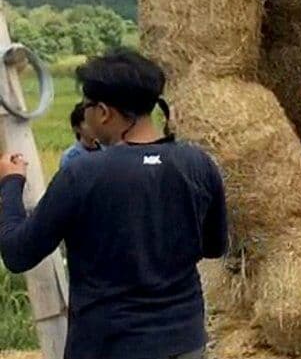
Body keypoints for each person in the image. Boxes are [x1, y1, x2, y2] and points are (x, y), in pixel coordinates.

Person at [0, 49, 228, 359]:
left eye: (86, 106)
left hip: (108, 345)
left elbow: (17, 252)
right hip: (184, 341)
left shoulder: (82, 174)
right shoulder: (199, 164)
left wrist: (10, 184)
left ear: (104, 112)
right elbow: (215, 246)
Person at [59, 101, 101, 170]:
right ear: (77, 128)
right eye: (87, 123)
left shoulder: (107, 150)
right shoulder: (70, 157)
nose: (93, 126)